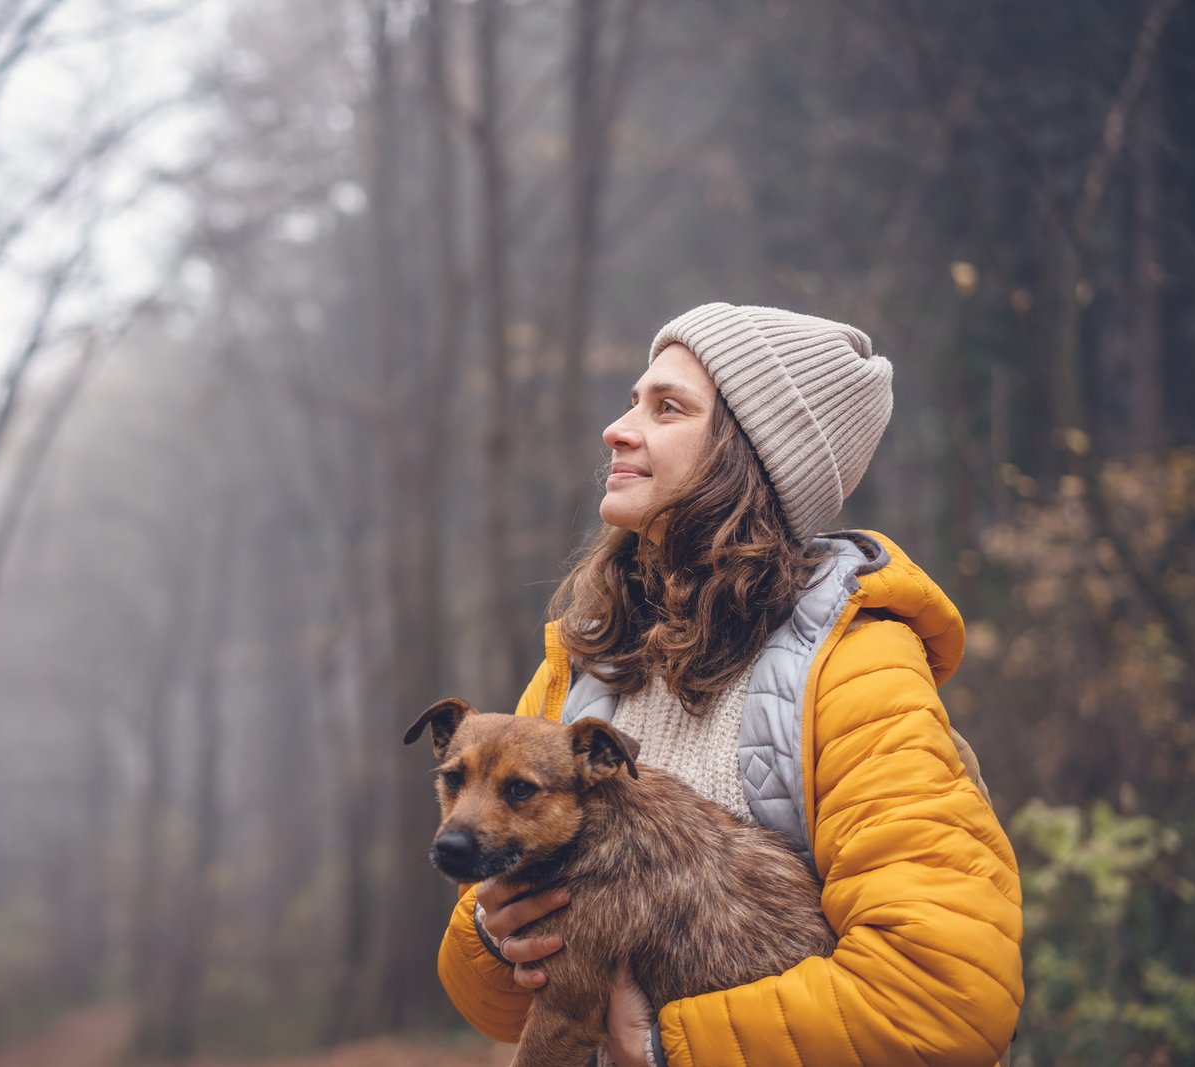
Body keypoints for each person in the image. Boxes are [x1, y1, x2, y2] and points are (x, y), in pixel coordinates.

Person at [435, 303, 1023, 1066]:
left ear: (747, 458)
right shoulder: (588, 666)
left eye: (667, 408)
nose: (617, 428)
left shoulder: (857, 671)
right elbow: (501, 1004)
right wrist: (491, 932)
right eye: (632, 399)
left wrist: (665, 1046)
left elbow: (945, 999)